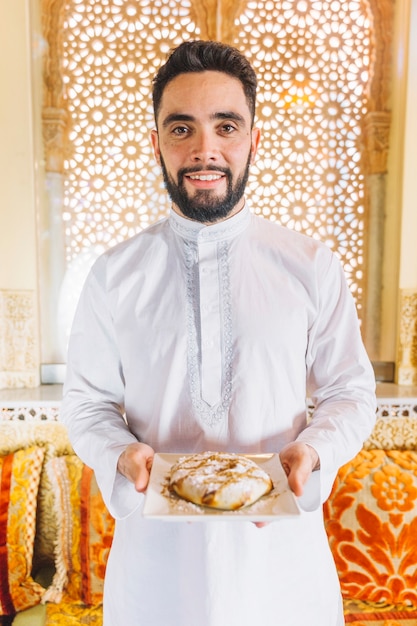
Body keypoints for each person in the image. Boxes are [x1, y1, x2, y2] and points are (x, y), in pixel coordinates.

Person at [61, 40, 376, 626]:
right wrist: (120, 454)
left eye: (225, 125)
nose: (205, 150)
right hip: (157, 575)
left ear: (254, 139)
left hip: (282, 571)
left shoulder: (310, 265)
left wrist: (313, 452)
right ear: (155, 142)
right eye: (181, 129)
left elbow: (350, 393)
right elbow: (87, 403)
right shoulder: (114, 275)